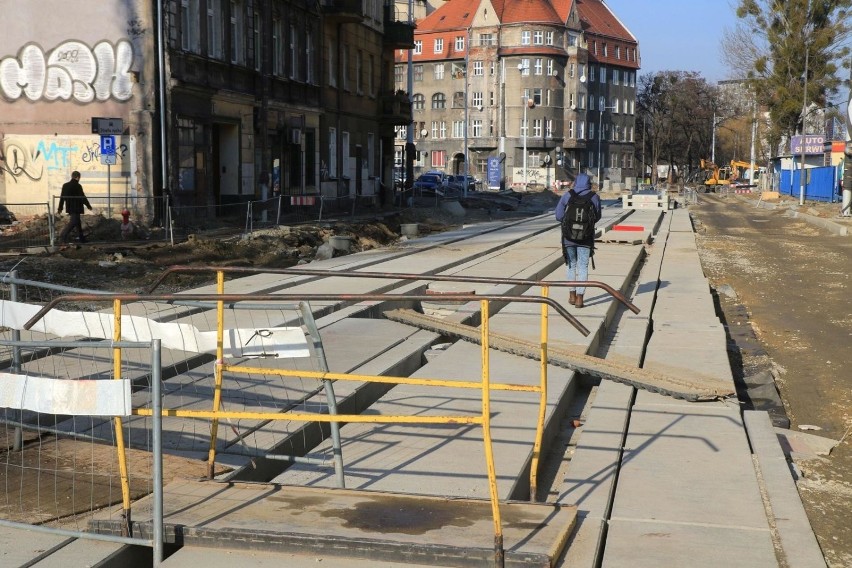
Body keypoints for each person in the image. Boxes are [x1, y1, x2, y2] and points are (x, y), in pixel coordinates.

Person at [554, 173, 601, 308]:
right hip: (586, 238)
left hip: (568, 238)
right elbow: (597, 217)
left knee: (571, 265)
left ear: (575, 182)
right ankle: (580, 298)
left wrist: (569, 223)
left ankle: (571, 295)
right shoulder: (594, 197)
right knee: (582, 267)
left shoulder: (567, 195)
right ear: (588, 183)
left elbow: (558, 216)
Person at [58, 171, 92, 243]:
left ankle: (81, 239)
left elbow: (62, 197)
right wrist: (88, 205)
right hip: (77, 207)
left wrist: (60, 208)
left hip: (70, 207)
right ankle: (63, 236)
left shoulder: (65, 185)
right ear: (78, 177)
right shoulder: (78, 186)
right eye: (79, 178)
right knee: (73, 222)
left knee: (77, 223)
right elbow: (82, 197)